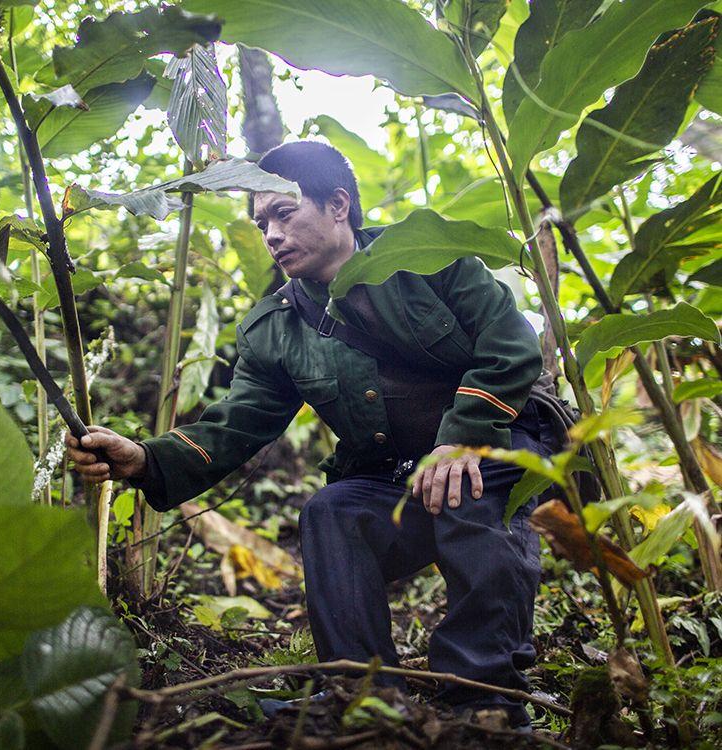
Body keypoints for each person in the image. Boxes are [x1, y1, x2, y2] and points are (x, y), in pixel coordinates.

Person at [67, 141, 551, 727]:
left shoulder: (430, 256)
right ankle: (361, 697)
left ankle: (485, 699)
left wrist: (461, 438)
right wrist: (144, 458)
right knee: (333, 511)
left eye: (283, 214)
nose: (270, 234)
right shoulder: (275, 328)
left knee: (466, 489)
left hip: (503, 444)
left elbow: (511, 344)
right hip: (399, 474)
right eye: (261, 221)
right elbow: (237, 423)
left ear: (338, 205)